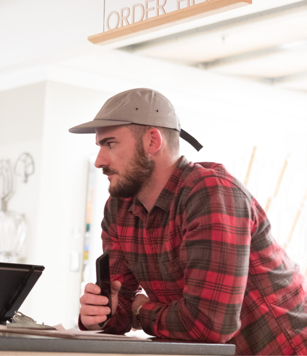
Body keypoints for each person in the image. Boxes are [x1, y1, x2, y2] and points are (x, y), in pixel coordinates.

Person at [71, 88, 307, 355]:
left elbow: (210, 326)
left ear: (152, 141)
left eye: (110, 143)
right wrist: (98, 315)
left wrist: (139, 311)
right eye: (99, 146)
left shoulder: (210, 193)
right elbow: (118, 305)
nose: (99, 160)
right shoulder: (119, 209)